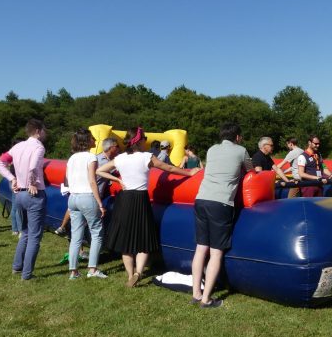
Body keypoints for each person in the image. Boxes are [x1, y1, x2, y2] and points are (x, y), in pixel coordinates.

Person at [96, 127, 199, 288]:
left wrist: (118, 181)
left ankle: (130, 275)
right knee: (143, 238)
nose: (146, 141)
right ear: (139, 141)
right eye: (144, 138)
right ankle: (138, 272)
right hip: (140, 199)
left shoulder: (120, 158)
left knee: (125, 241)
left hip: (125, 199)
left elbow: (99, 170)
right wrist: (189, 173)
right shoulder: (146, 157)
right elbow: (170, 168)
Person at [191, 123, 253, 308]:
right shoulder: (241, 150)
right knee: (216, 252)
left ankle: (196, 293)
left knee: (201, 248)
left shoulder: (211, 149)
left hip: (201, 199)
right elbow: (251, 171)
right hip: (221, 202)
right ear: (238, 137)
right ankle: (207, 299)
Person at [0, 119, 47, 280]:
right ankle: (27, 274)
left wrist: (12, 179)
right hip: (34, 194)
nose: (45, 133)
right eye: (44, 130)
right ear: (38, 131)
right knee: (34, 236)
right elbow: (33, 166)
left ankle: (17, 267)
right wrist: (32, 182)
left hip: (19, 195)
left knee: (25, 232)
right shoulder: (38, 147)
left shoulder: (17, 146)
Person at [66, 129, 108, 280]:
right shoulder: (91, 157)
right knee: (96, 232)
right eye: (92, 139)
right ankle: (92, 268)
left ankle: (73, 271)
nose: (95, 141)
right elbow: (92, 181)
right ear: (86, 141)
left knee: (76, 234)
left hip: (73, 198)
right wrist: (100, 203)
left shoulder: (72, 158)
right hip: (87, 197)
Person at [0, 138, 25, 237]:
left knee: (15, 206)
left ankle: (15, 229)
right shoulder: (17, 154)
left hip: (12, 181)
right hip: (15, 181)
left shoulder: (12, 154)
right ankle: (20, 230)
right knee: (18, 207)